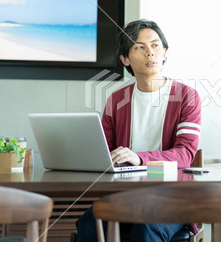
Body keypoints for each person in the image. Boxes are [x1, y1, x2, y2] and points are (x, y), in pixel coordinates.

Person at [76, 19, 201, 241]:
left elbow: (185, 154)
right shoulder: (117, 100)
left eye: (155, 45)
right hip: (125, 196)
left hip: (172, 198)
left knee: (146, 226)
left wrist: (138, 158)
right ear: (125, 58)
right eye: (139, 47)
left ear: (164, 52)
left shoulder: (187, 97)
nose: (149, 53)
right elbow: (105, 151)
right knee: (88, 222)